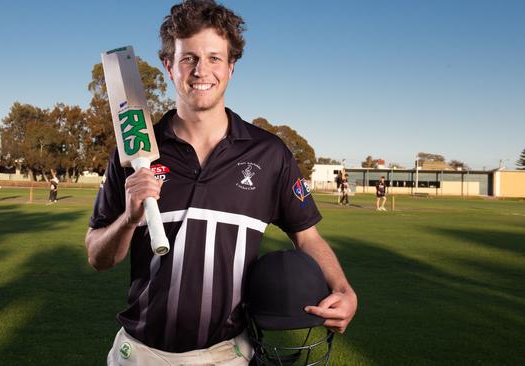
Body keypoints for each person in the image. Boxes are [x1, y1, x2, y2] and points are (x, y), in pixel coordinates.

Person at [85, 1, 357, 364]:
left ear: (231, 68)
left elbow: (307, 236)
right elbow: (97, 257)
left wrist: (343, 289)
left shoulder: (269, 154)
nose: (201, 71)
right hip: (141, 353)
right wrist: (130, 218)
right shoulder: (137, 155)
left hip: (226, 355)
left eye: (215, 58)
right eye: (188, 58)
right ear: (169, 66)